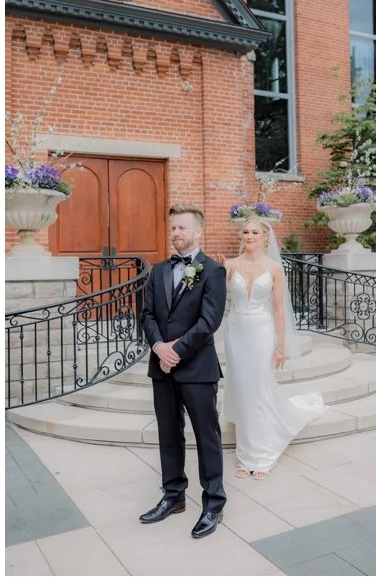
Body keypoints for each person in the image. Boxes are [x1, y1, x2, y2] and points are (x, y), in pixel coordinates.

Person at [138, 204, 227, 539]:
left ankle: (214, 503)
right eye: (173, 227)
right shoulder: (158, 270)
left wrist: (175, 350)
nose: (176, 233)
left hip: (198, 368)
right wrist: (159, 346)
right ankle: (173, 496)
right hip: (162, 368)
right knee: (168, 435)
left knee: (207, 437)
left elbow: (209, 322)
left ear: (198, 232)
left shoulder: (213, 271)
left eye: (182, 228)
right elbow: (146, 315)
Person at [220, 216, 326, 480]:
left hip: (261, 332)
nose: (249, 236)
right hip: (236, 332)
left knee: (258, 391)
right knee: (242, 391)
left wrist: (281, 346)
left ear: (265, 237)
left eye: (255, 232)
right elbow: (216, 299)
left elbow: (279, 309)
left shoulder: (275, 269)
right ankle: (245, 456)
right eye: (245, 231)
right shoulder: (230, 265)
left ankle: (262, 456)